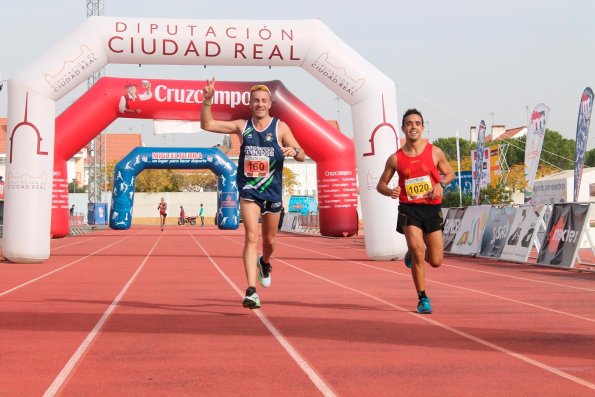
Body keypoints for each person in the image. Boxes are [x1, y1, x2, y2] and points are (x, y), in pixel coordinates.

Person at [201, 78, 305, 309]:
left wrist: (293, 149)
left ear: (269, 104)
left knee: (269, 241)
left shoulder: (280, 127)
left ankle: (265, 262)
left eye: (263, 101)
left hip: (273, 192)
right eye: (255, 100)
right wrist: (207, 101)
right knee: (250, 236)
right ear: (250, 104)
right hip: (249, 189)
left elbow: (301, 154)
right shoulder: (241, 126)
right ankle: (251, 290)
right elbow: (207, 125)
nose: (259, 104)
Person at [376, 108, 454, 314]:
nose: (413, 127)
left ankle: (412, 252)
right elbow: (380, 185)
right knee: (420, 253)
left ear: (422, 127)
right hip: (409, 209)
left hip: (432, 208)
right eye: (409, 124)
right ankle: (422, 298)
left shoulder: (435, 152)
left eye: (417, 123)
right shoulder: (395, 158)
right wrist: (390, 191)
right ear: (403, 128)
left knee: (436, 260)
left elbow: (450, 173)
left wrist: (441, 185)